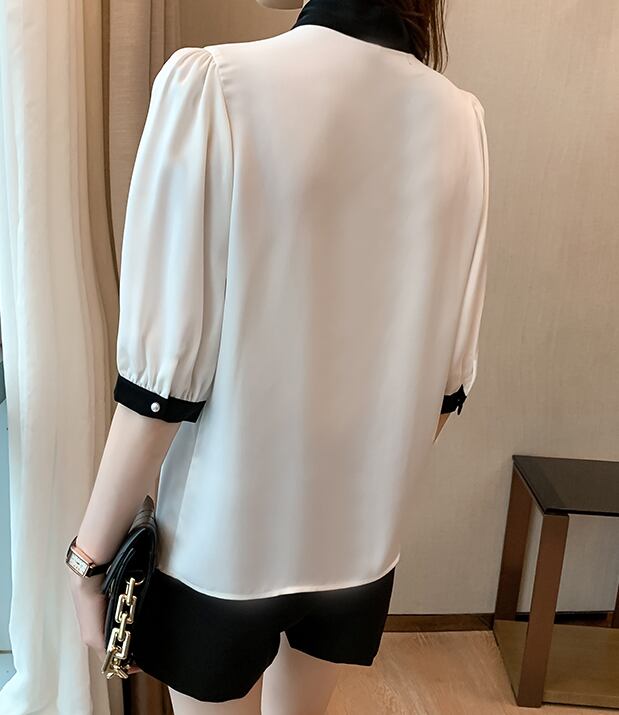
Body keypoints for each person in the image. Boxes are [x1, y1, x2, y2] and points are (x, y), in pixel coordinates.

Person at [67, 0, 490, 712]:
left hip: (223, 545)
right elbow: (446, 387)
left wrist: (88, 558)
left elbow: (160, 386)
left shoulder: (215, 86)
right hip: (357, 542)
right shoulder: (459, 119)